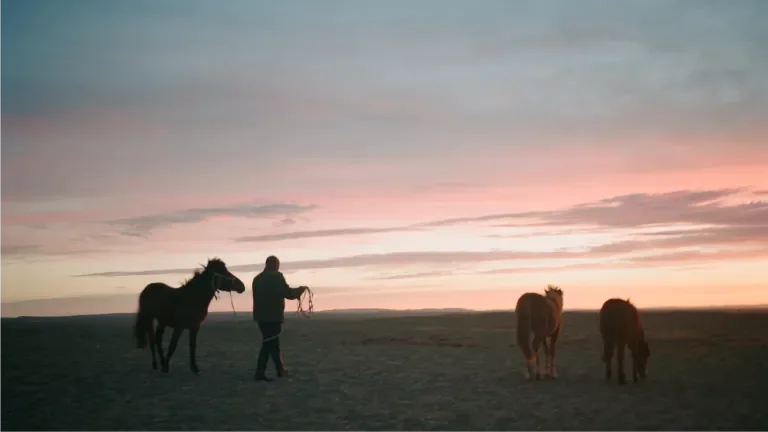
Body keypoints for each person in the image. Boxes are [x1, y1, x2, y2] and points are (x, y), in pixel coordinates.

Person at [251, 255, 308, 381]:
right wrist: (300, 290)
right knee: (269, 344)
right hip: (273, 317)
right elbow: (288, 293)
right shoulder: (276, 277)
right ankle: (260, 373)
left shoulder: (257, 279)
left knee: (272, 344)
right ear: (276, 265)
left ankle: (280, 370)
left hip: (261, 317)